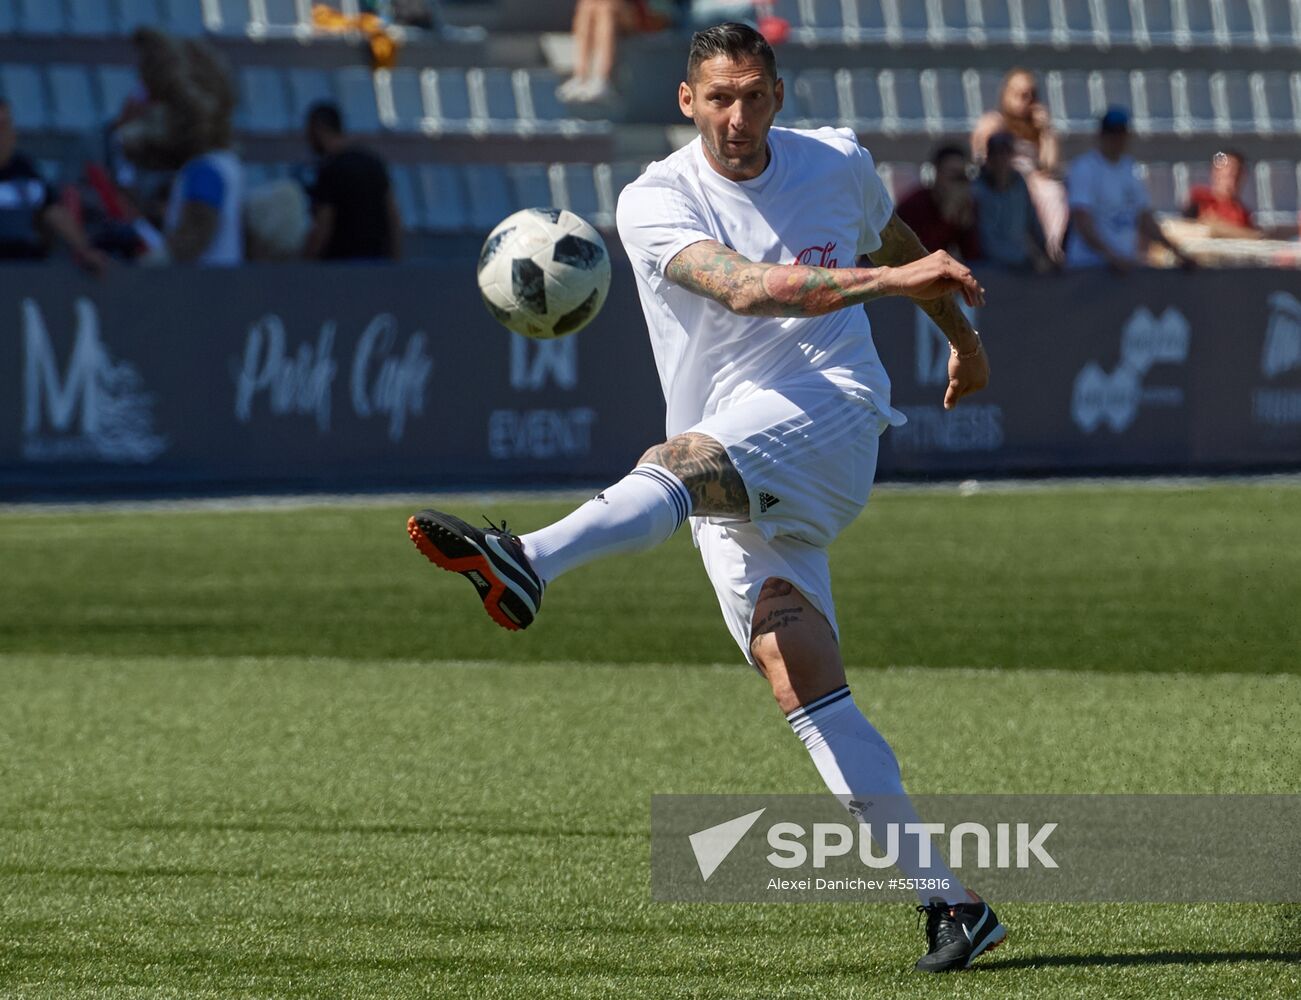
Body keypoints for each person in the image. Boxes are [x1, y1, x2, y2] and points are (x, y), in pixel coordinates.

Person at [407, 22, 1006, 974]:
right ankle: (951, 901)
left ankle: (526, 561)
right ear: (686, 102)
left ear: (778, 95)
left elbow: (891, 236)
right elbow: (746, 289)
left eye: (754, 95)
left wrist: (961, 341)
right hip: (741, 468)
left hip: (831, 415)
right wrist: (896, 281)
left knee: (678, 460)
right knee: (799, 676)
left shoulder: (834, 161)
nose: (737, 116)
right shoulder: (652, 199)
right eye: (718, 98)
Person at [1064, 107, 1194, 271]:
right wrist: (1109, 255)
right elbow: (1082, 219)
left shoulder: (1130, 169)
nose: (1116, 139)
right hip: (1089, 267)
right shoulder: (1084, 168)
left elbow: (1144, 216)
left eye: (1120, 133)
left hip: (1122, 267)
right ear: (1102, 135)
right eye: (1112, 133)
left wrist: (1175, 251)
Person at [971, 68, 1068, 262]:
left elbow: (1049, 165)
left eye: (1030, 94)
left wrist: (1046, 132)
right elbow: (980, 159)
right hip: (1005, 181)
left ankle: (1052, 251)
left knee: (1053, 191)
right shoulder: (992, 123)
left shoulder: (1037, 129)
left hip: (1034, 184)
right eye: (1019, 93)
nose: (1025, 99)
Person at [0, 99, 107, 273]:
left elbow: (55, 212)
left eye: (7, 126)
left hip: (26, 265)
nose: (5, 135)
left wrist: (85, 250)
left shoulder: (25, 171)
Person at [303, 102, 401, 261]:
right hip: (377, 262)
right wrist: (396, 260)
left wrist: (306, 262)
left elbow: (324, 225)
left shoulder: (330, 170)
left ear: (319, 130)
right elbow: (393, 216)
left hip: (341, 267)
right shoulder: (373, 163)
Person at [972, 131, 1052, 271]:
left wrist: (1044, 252)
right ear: (989, 157)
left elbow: (1032, 221)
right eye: (996, 154)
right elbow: (980, 236)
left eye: (1005, 153)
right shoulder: (976, 190)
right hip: (989, 267)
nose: (1001, 159)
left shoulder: (1019, 183)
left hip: (1021, 264)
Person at [896, 145, 981, 261]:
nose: (957, 182)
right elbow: (920, 252)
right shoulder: (915, 203)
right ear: (937, 173)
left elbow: (972, 256)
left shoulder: (964, 204)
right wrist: (946, 217)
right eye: (952, 174)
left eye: (961, 176)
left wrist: (966, 225)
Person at [1184, 149, 1260, 239]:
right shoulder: (1201, 201)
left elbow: (1252, 237)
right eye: (1227, 173)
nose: (1230, 180)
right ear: (1215, 172)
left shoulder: (1243, 213)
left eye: (1236, 174)